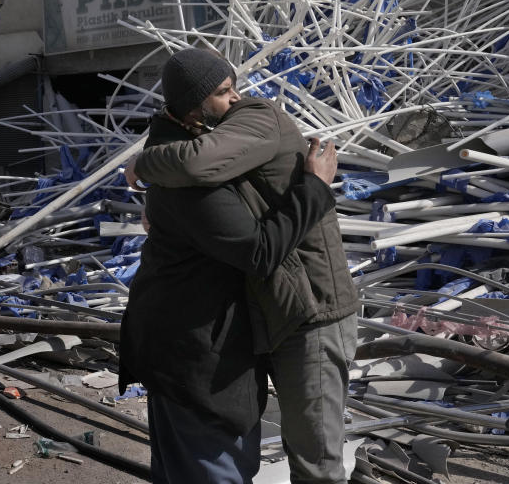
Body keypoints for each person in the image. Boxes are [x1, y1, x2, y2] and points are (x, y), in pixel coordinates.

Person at [126, 47, 359, 484]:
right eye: (222, 91)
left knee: (316, 464)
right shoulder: (205, 138)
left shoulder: (258, 116)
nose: (234, 97)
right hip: (272, 309)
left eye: (232, 86)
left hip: (314, 311)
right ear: (192, 105)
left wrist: (142, 163)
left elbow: (194, 164)